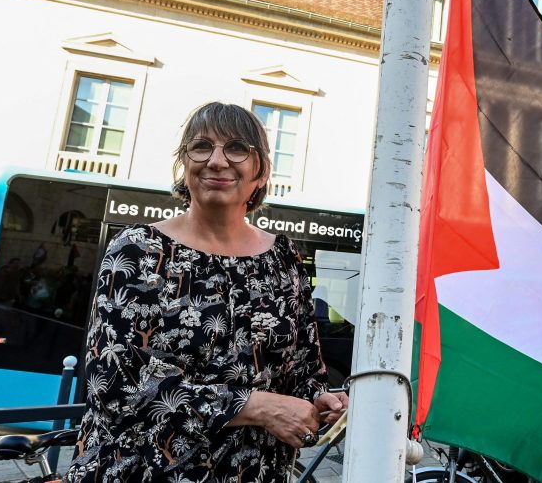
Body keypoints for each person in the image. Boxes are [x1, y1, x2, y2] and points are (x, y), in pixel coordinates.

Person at [66, 102, 348, 482]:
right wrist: (258, 407)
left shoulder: (284, 259)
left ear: (262, 171)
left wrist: (320, 400)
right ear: (185, 163)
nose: (216, 161)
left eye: (237, 148)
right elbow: (116, 383)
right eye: (201, 147)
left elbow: (303, 369)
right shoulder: (138, 250)